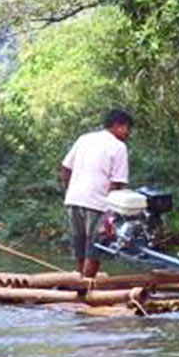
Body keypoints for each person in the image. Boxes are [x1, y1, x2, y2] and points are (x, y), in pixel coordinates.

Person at [60, 108, 133, 277]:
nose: (128, 133)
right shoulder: (119, 146)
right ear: (117, 125)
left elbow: (65, 168)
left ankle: (79, 281)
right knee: (95, 249)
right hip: (98, 203)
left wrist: (69, 190)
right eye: (127, 128)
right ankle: (87, 288)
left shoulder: (84, 139)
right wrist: (111, 211)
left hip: (74, 199)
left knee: (80, 244)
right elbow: (117, 183)